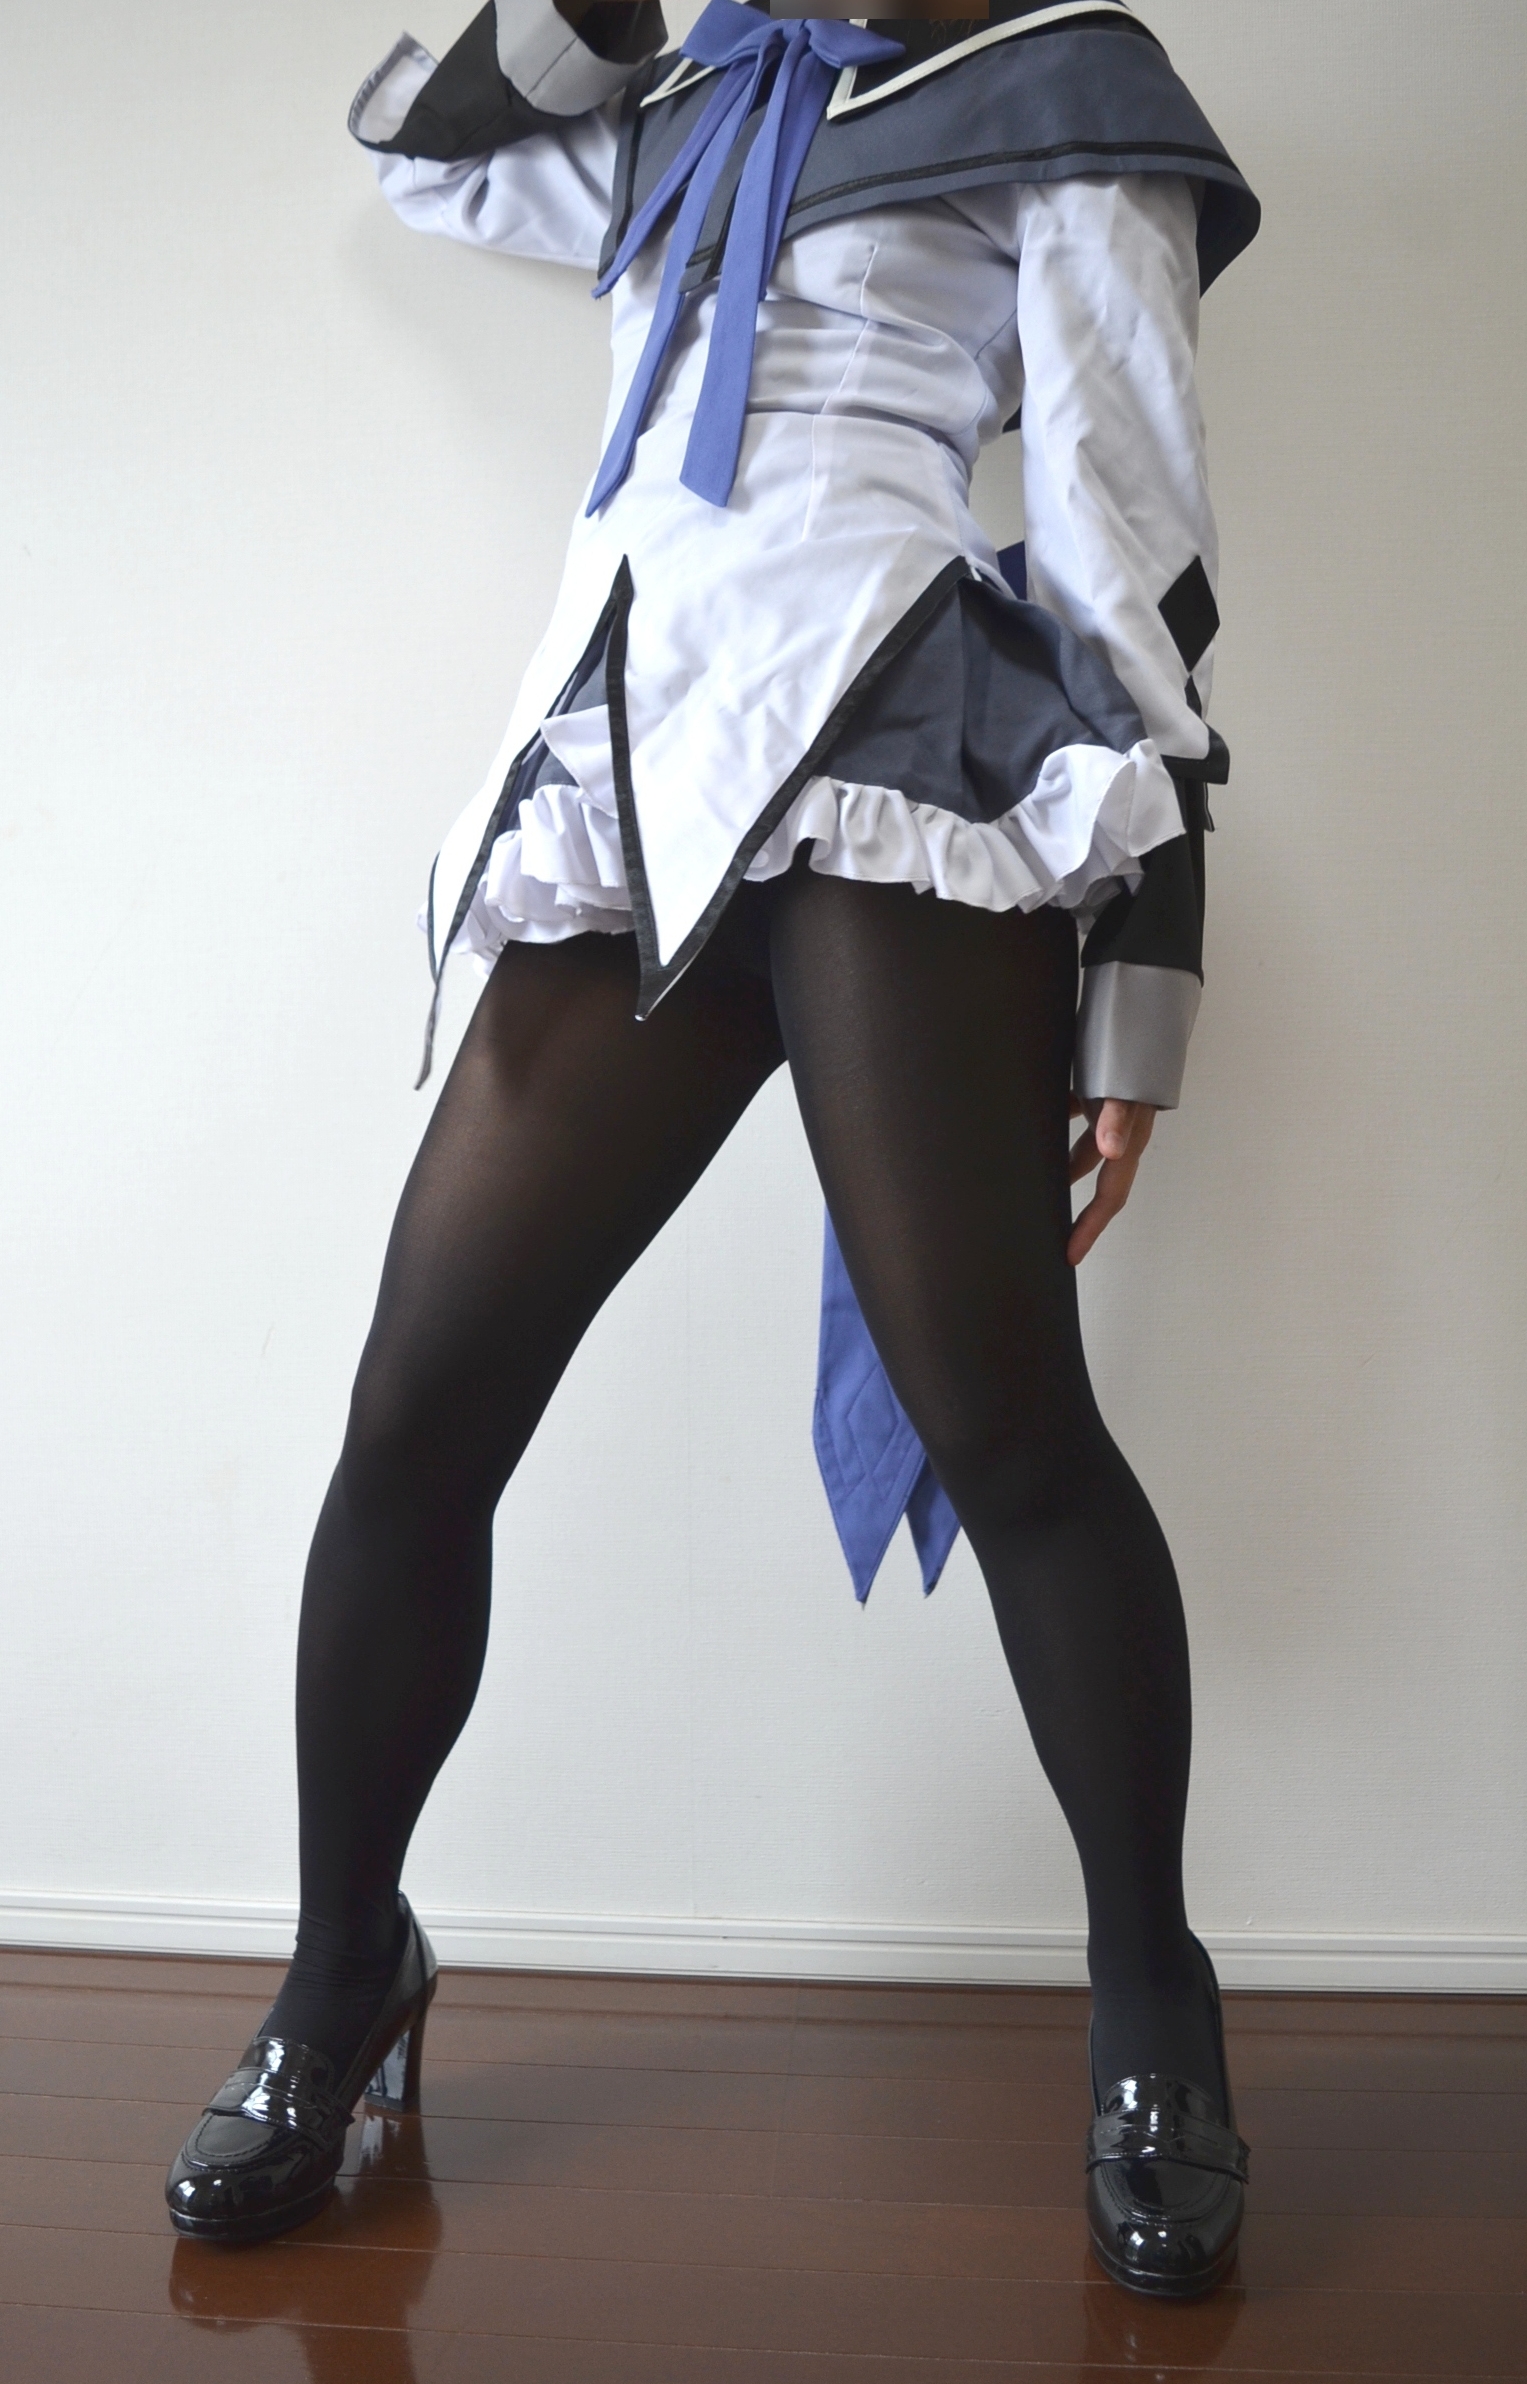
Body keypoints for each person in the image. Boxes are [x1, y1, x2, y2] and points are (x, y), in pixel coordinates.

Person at [165, 0, 1258, 2297]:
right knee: (415, 1418)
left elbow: (1126, 530)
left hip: (894, 758)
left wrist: (1140, 962)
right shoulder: (670, 109)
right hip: (627, 779)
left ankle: (1153, 1999)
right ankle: (344, 1964)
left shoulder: (1062, 87)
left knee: (1011, 1426)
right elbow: (424, 152)